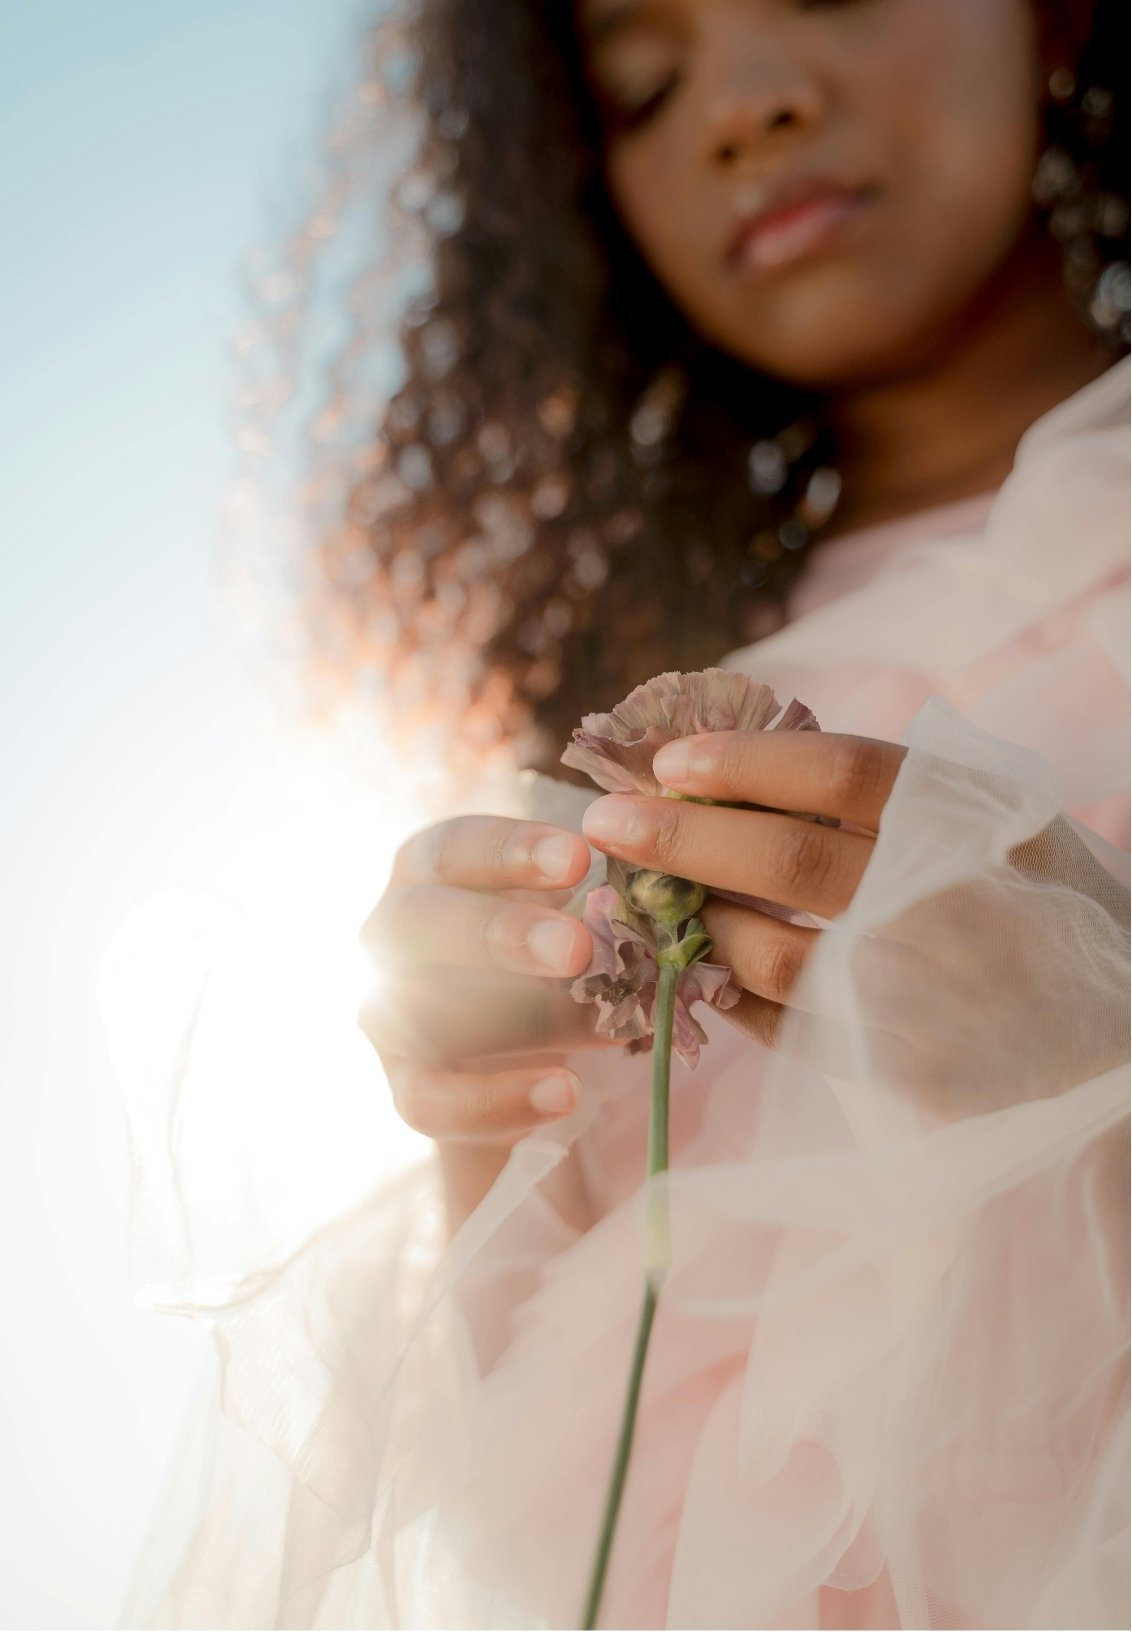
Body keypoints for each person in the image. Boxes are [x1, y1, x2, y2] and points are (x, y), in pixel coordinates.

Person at [118, 0, 1129, 1626]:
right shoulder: (641, 775)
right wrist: (486, 1128)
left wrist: (1102, 1045)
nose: (744, 108)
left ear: (1058, 16)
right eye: (641, 86)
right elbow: (587, 1524)